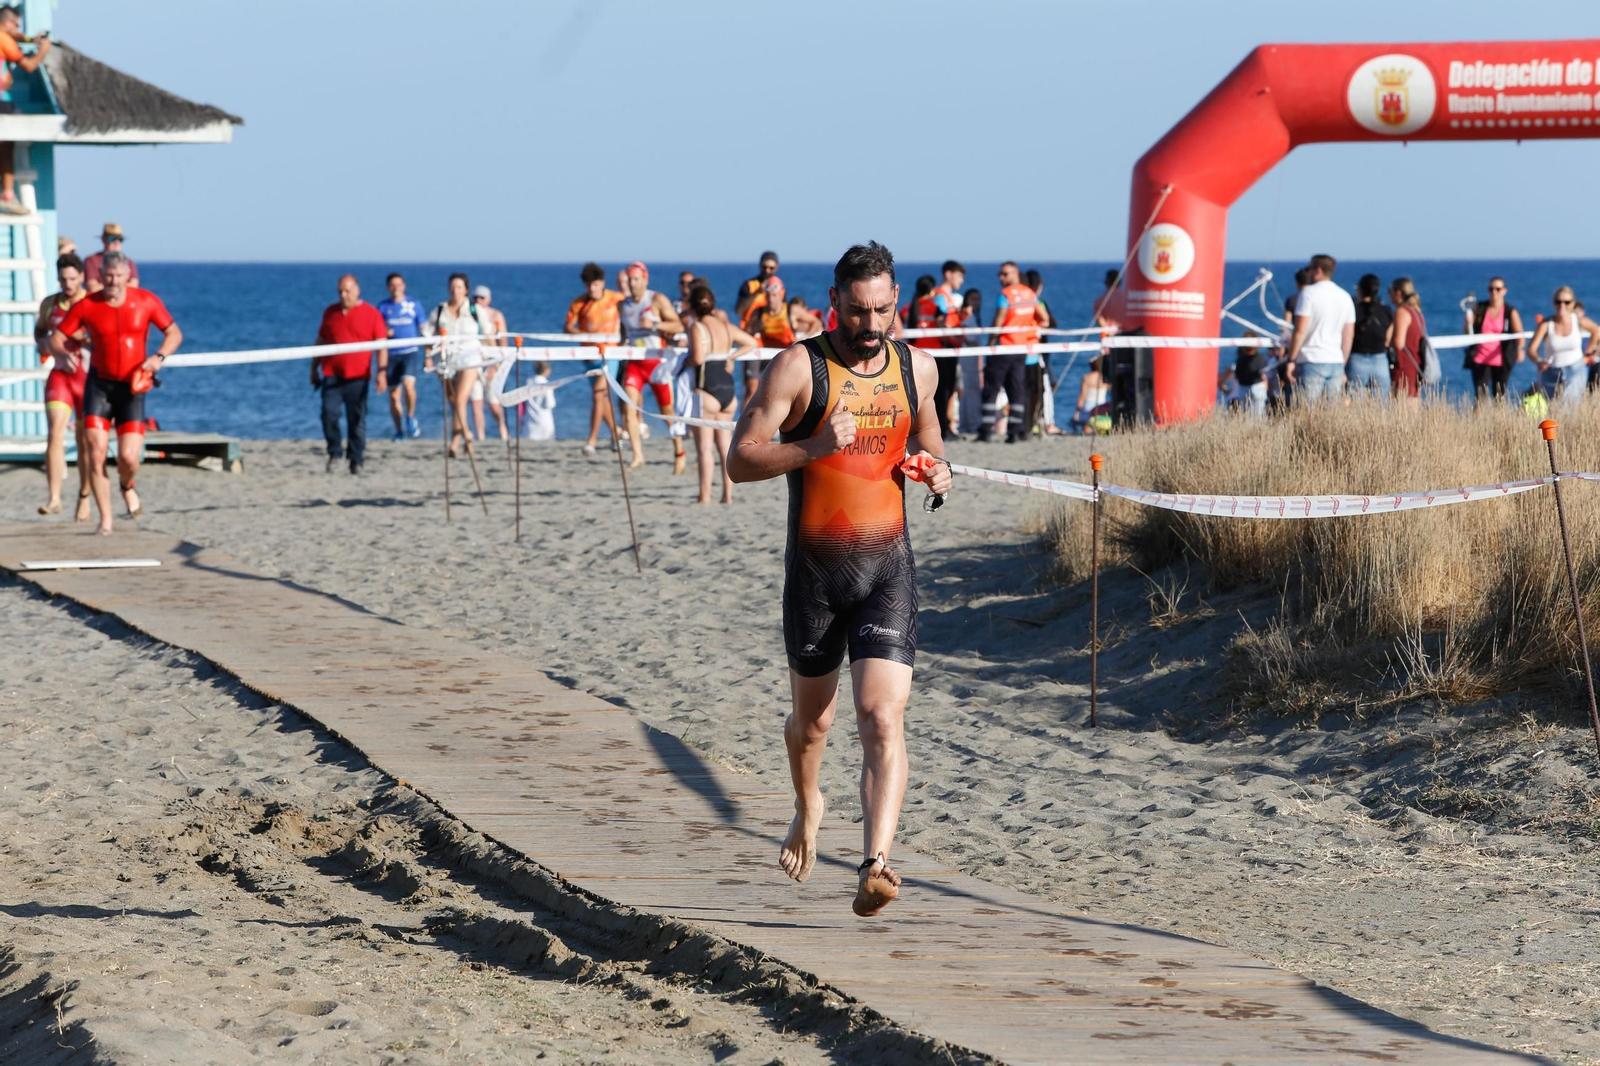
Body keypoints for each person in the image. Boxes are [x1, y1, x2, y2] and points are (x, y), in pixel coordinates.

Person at [724, 241, 951, 918]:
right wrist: (814, 447)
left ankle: (876, 862)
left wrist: (936, 472)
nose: (871, 324)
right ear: (836, 306)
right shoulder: (800, 367)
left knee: (882, 715)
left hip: (888, 567)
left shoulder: (920, 368)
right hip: (817, 575)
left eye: (883, 310)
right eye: (858, 311)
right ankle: (808, 803)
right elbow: (740, 460)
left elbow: (931, 440)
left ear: (895, 306)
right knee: (813, 724)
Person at [49, 251, 181, 535]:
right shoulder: (88, 305)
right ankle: (105, 520)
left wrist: (158, 358)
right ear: (100, 276)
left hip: (132, 387)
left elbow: (174, 334)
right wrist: (61, 355)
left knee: (129, 459)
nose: (113, 281)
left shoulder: (145, 300)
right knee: (96, 452)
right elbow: (56, 337)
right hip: (99, 385)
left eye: (119, 276)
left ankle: (127, 485)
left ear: (127, 276)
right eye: (108, 276)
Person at [685, 283, 758, 505]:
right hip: (728, 390)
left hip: (706, 388)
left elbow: (697, 359)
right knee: (725, 445)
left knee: (704, 448)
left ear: (692, 306)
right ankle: (727, 495)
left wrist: (683, 362)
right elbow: (751, 342)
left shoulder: (697, 327)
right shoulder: (725, 326)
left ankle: (704, 495)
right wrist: (732, 357)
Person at [312, 274, 388, 475]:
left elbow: (382, 346)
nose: (344, 295)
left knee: (357, 420)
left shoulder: (371, 314)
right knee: (329, 414)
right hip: (332, 374)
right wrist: (313, 368)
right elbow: (320, 341)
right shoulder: (331, 312)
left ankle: (356, 459)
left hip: (358, 376)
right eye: (341, 292)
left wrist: (382, 372)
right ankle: (335, 453)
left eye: (347, 291)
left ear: (356, 290)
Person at [34, 252, 89, 518]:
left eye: (72, 279)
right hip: (60, 377)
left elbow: (104, 339)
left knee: (84, 440)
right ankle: (54, 497)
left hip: (87, 378)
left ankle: (84, 497)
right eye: (63, 279)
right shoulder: (50, 304)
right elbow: (40, 330)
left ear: (81, 278)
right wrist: (43, 344)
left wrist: (81, 337)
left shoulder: (91, 303)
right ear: (57, 278)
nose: (68, 285)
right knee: (55, 432)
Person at [618, 261, 685, 471]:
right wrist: (620, 347)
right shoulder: (623, 305)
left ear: (645, 280)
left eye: (636, 279)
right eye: (630, 279)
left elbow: (678, 325)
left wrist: (655, 325)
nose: (633, 283)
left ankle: (679, 451)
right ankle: (637, 455)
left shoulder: (656, 300)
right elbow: (624, 331)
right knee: (628, 407)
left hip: (657, 365)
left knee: (667, 412)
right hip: (635, 365)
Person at [426, 273, 489, 457]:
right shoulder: (439, 311)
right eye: (453, 287)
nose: (455, 291)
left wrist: (493, 361)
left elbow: (488, 334)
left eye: (459, 287)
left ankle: (460, 440)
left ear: (466, 290)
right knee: (453, 401)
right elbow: (426, 334)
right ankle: (464, 435)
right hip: (446, 360)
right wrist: (428, 355)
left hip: (470, 357)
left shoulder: (475, 310)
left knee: (461, 399)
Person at [567, 262, 624, 457]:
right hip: (589, 356)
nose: (592, 289)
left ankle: (591, 440)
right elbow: (568, 327)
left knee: (599, 394)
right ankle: (616, 432)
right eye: (589, 285)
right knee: (602, 397)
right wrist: (583, 334)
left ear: (602, 283)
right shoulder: (579, 303)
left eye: (596, 284)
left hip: (611, 354)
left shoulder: (616, 299)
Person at [979, 261, 1038, 442]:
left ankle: (986, 431)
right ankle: (1015, 431)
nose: (1001, 278)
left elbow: (999, 320)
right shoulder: (1030, 293)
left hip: (1004, 347)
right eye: (1000, 274)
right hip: (1021, 348)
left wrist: (990, 342)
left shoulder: (1005, 295)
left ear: (1015, 273)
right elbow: (1041, 317)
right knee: (1016, 390)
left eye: (1004, 274)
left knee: (991, 389)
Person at [1285, 254, 1354, 404]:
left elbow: (1300, 331)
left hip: (1311, 359)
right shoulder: (1345, 296)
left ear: (1317, 270)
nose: (1307, 272)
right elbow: (1348, 335)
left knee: (1307, 412)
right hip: (1335, 360)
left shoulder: (1308, 294)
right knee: (1332, 414)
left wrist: (1291, 359)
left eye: (1308, 269)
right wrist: (1342, 362)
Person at [0, 7, 45, 215]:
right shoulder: (4, 38)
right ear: (8, 23)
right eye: (16, 25)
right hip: (1, 100)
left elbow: (16, 38)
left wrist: (29, 39)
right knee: (6, 146)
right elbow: (28, 65)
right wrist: (43, 50)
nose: (17, 29)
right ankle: (7, 194)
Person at [1526, 286, 1599, 401]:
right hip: (1551, 372)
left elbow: (1596, 331)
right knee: (1553, 408)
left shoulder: (1578, 321)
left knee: (1568, 406)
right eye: (1558, 302)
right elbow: (1531, 350)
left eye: (1567, 302)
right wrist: (1538, 360)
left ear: (1573, 303)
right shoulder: (1546, 325)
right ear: (1553, 303)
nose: (1562, 305)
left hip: (1576, 369)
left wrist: (1588, 353)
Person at [377, 272, 427, 439]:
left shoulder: (413, 305)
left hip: (409, 351)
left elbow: (424, 328)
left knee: (408, 385)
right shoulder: (383, 307)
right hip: (391, 354)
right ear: (388, 287)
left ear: (404, 285)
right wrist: (385, 331)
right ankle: (399, 431)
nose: (396, 288)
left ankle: (411, 417)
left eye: (398, 284)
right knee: (393, 395)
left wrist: (428, 350)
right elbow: (376, 330)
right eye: (392, 285)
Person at [1464, 277, 1524, 403]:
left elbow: (1519, 333)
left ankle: (1499, 421)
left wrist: (1520, 349)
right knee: (1480, 396)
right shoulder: (1479, 308)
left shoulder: (1510, 311)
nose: (1494, 292)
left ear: (1504, 291)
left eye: (1498, 289)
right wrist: (1468, 322)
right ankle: (1478, 421)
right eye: (1491, 289)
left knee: (1500, 396)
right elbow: (1468, 332)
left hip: (1502, 359)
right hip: (1480, 358)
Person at [930, 261, 965, 439]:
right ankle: (942, 428)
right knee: (942, 391)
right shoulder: (941, 297)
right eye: (959, 276)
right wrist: (953, 335)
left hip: (951, 347)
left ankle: (947, 425)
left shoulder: (948, 296)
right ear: (948, 274)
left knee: (949, 389)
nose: (962, 280)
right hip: (943, 349)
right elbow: (940, 321)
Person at [472, 285, 510, 441]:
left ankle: (503, 429)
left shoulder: (496, 315)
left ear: (488, 299)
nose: (478, 301)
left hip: (491, 362)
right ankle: (480, 437)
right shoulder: (470, 314)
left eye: (482, 298)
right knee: (476, 403)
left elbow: (503, 343)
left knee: (493, 404)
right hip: (474, 362)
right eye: (476, 298)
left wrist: (497, 366)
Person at [1347, 273, 1392, 397]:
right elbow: (1388, 338)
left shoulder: (1353, 309)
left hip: (1356, 359)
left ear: (1360, 290)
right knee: (1380, 404)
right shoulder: (1385, 311)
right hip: (1380, 360)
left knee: (1356, 404)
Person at [1022, 269, 1055, 437]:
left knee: (1026, 391)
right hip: (1036, 351)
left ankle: (1031, 422)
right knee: (1044, 388)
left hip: (1022, 350)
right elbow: (1050, 322)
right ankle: (1045, 422)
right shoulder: (1037, 301)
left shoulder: (1021, 302)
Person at [1388, 277, 1427, 404]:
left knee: (1403, 403)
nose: (1389, 294)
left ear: (1398, 293)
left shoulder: (1402, 311)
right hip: (1416, 363)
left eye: (1390, 291)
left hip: (1404, 364)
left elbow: (1399, 343)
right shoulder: (1417, 311)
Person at [957, 288, 984, 435]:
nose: (976, 302)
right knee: (971, 390)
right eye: (973, 298)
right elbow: (967, 337)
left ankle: (966, 424)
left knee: (968, 391)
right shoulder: (966, 315)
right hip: (967, 355)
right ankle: (972, 424)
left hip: (972, 356)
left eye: (978, 299)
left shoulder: (972, 315)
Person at [83, 224, 139, 293]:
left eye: (120, 239)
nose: (116, 242)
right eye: (112, 239)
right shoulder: (91, 261)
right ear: (103, 240)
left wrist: (108, 286)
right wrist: (120, 286)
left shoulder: (129, 262)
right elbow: (93, 288)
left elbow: (134, 286)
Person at [734, 249, 780, 325]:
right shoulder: (749, 285)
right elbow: (738, 310)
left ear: (777, 267)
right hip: (750, 328)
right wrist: (757, 292)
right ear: (760, 265)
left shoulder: (779, 287)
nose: (767, 271)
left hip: (772, 328)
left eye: (771, 268)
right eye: (764, 267)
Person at [519, 360, 556, 441]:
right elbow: (550, 404)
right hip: (544, 421)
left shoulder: (528, 381)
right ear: (547, 370)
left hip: (529, 421)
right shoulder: (546, 384)